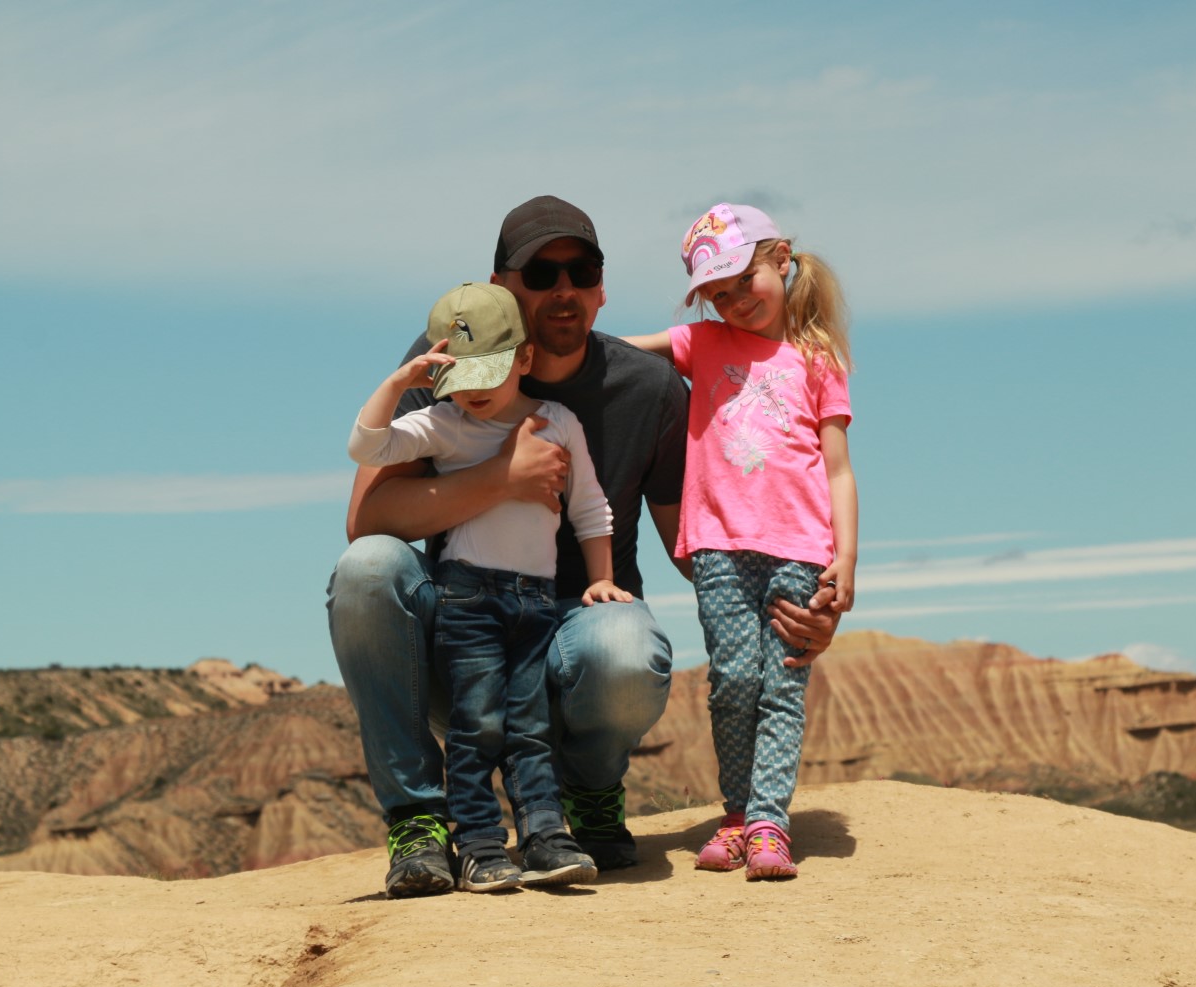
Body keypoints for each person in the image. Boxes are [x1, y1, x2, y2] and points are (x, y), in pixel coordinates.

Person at [325, 195, 841, 899]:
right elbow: (368, 516)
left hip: (575, 637)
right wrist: (501, 478)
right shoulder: (449, 361)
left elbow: (694, 541)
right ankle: (419, 821)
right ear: (503, 289)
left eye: (581, 270)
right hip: (465, 631)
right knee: (366, 571)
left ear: (601, 289)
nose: (563, 288)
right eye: (541, 273)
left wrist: (798, 602)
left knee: (627, 649)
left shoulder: (649, 387)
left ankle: (588, 797)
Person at [349, 281, 634, 892]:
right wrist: (402, 383)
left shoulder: (558, 423)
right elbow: (366, 445)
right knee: (478, 725)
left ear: (524, 359)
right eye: (458, 375)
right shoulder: (444, 424)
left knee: (528, 725)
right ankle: (478, 845)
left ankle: (544, 835)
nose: (473, 390)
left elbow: (591, 509)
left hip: (535, 602)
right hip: (468, 600)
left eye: (487, 372)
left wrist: (603, 578)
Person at [625, 202, 858, 881]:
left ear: (780, 260)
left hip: (800, 548)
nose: (733, 302)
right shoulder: (705, 342)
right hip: (720, 546)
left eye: (743, 281)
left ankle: (767, 825)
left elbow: (838, 469)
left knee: (782, 684)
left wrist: (845, 559)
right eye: (716, 294)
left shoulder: (819, 360)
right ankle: (735, 816)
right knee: (732, 680)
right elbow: (623, 351)